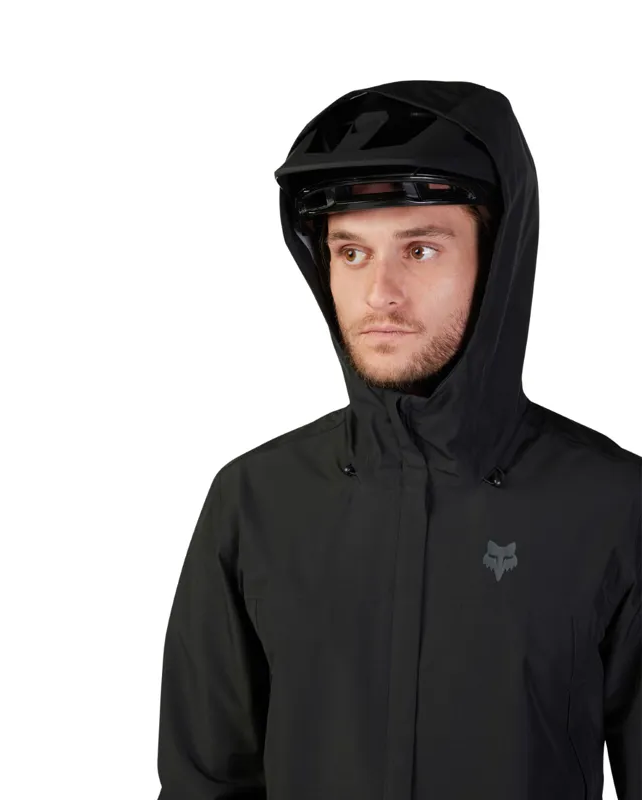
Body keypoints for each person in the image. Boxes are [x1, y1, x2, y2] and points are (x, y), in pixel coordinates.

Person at [154, 80, 641, 800]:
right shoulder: (254, 503)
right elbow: (205, 786)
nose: (380, 291)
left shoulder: (613, 506)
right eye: (351, 252)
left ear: (497, 260)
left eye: (419, 249)